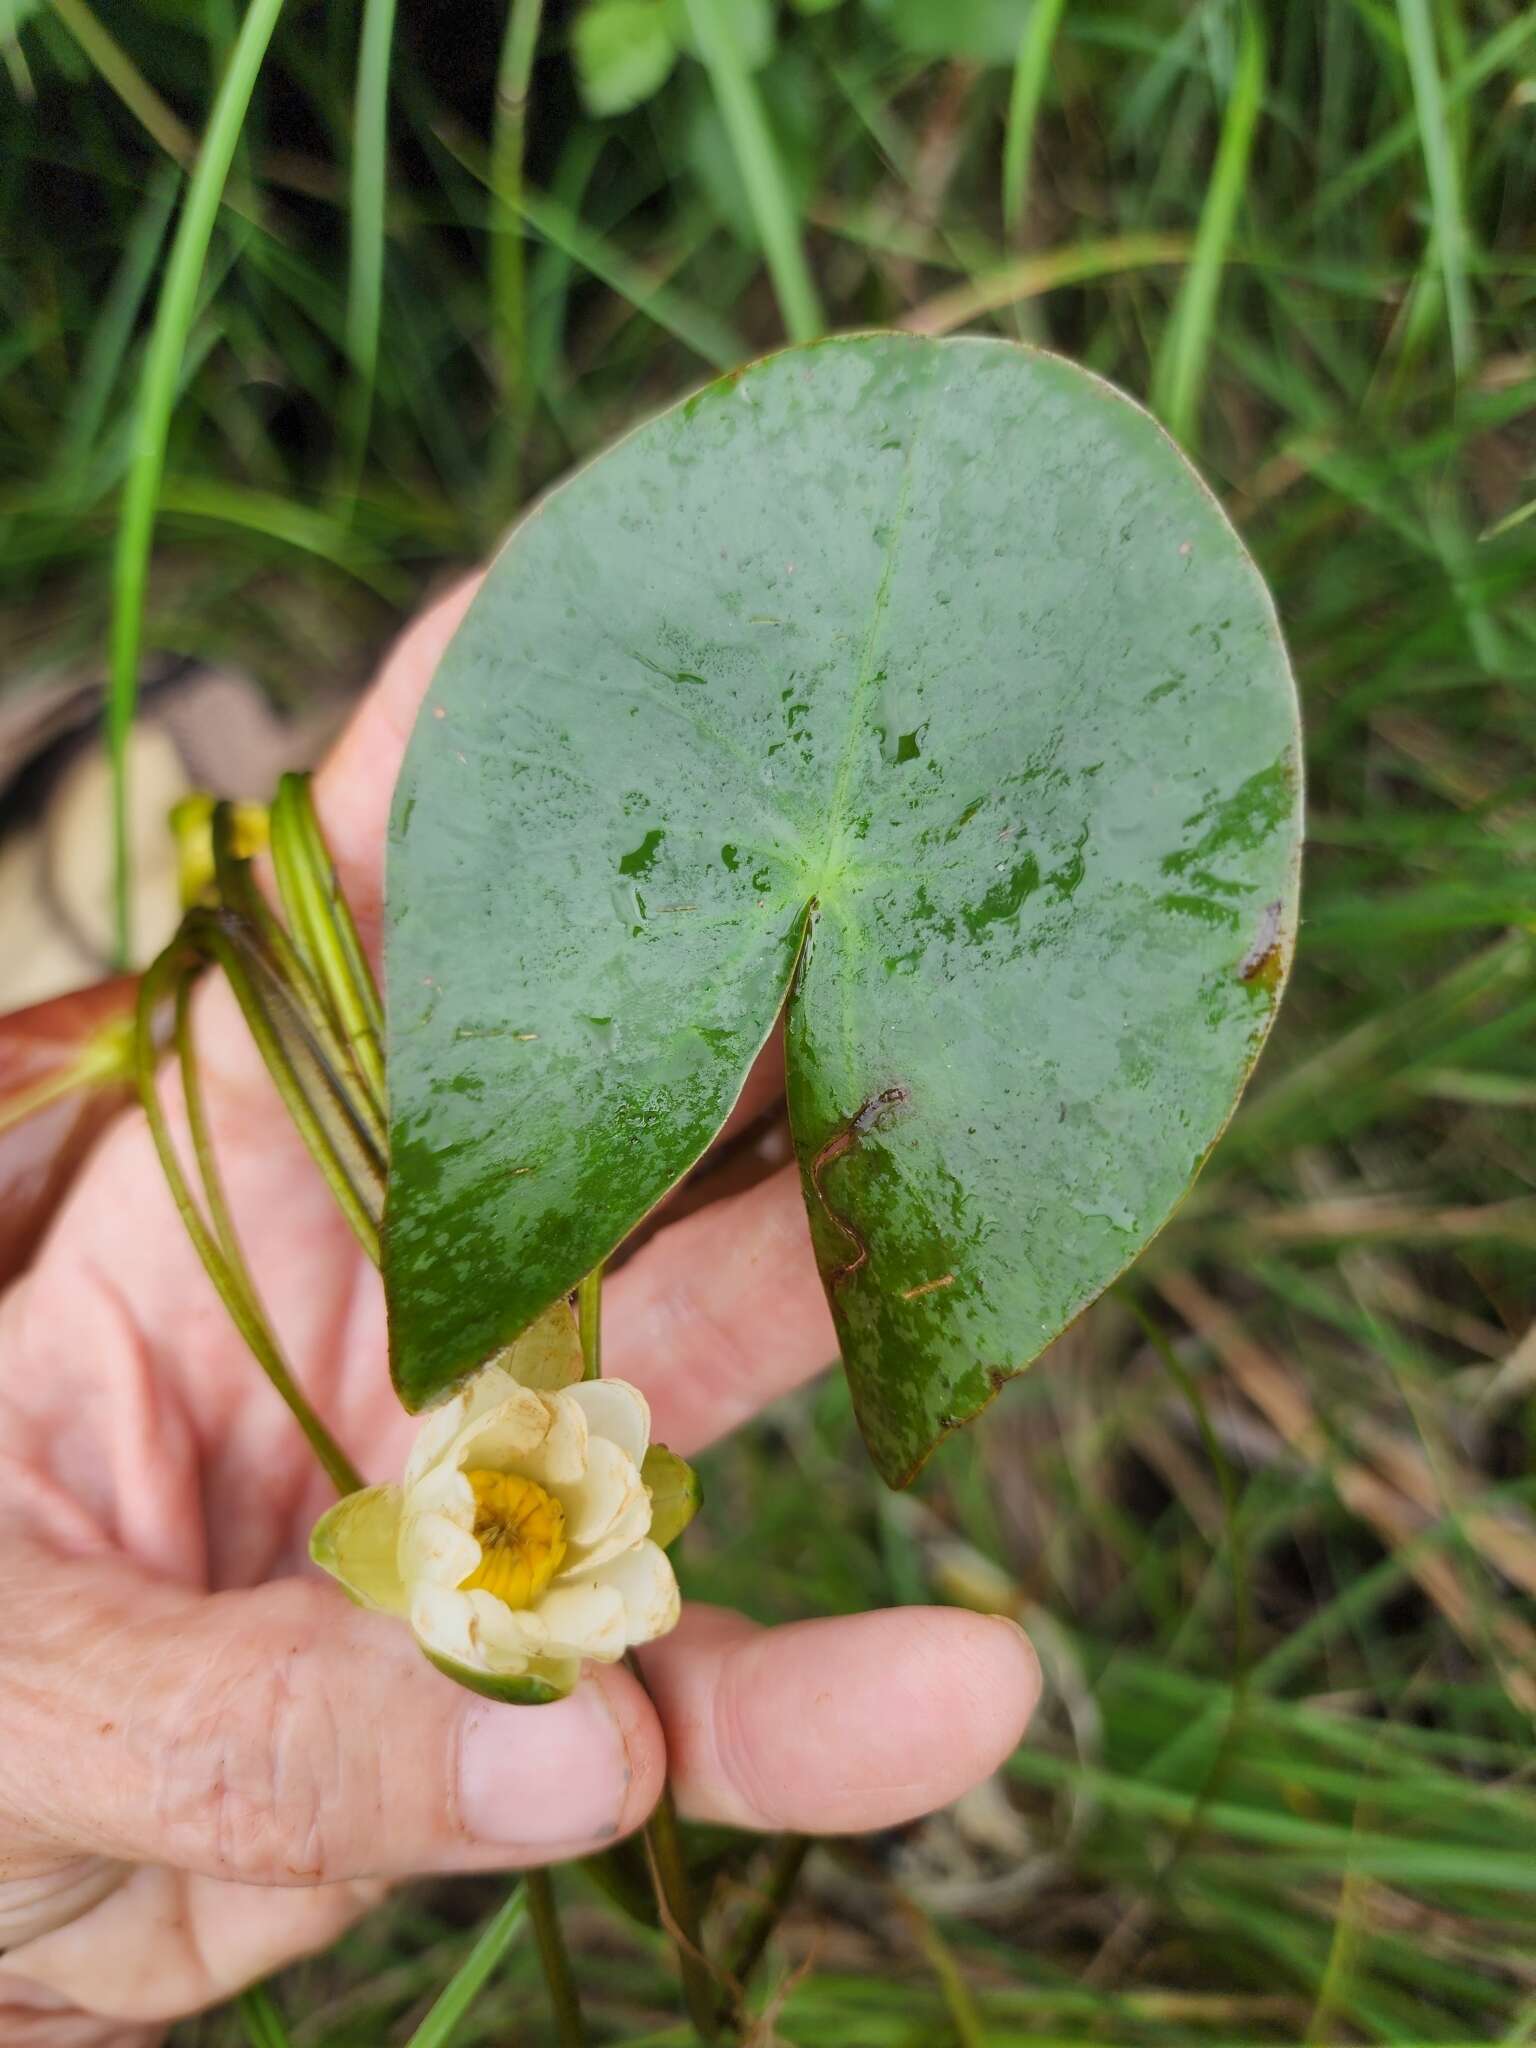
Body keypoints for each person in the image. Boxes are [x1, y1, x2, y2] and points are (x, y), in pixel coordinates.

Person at [0, 581, 1040, 2046]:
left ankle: (138, 866)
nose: (507, 1530)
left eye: (506, 1524)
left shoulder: (541, 1486)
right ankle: (138, 851)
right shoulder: (478, 1511)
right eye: (509, 1523)